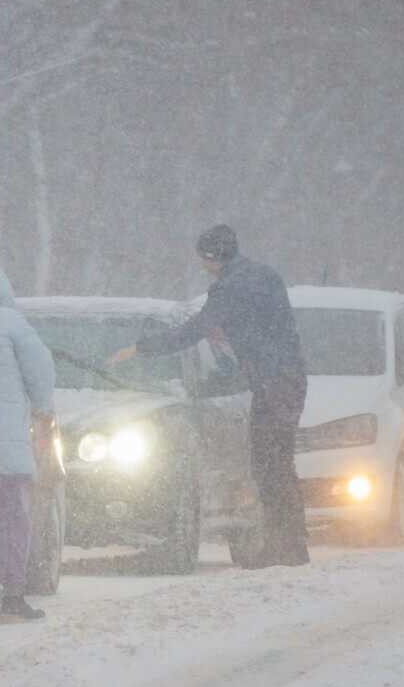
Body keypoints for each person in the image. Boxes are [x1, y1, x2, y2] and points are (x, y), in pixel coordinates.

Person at [109, 224, 309, 567]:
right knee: (280, 464)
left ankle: (284, 549)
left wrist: (140, 347)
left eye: (205, 259)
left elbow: (192, 332)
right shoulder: (266, 276)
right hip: (291, 378)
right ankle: (290, 545)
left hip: (270, 383)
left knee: (268, 466)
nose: (203, 266)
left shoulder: (230, 289)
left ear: (217, 257)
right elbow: (266, 328)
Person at [0, 267, 57, 623]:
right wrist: (40, 407)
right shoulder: (9, 322)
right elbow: (41, 369)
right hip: (3, 444)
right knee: (11, 518)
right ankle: (13, 599)